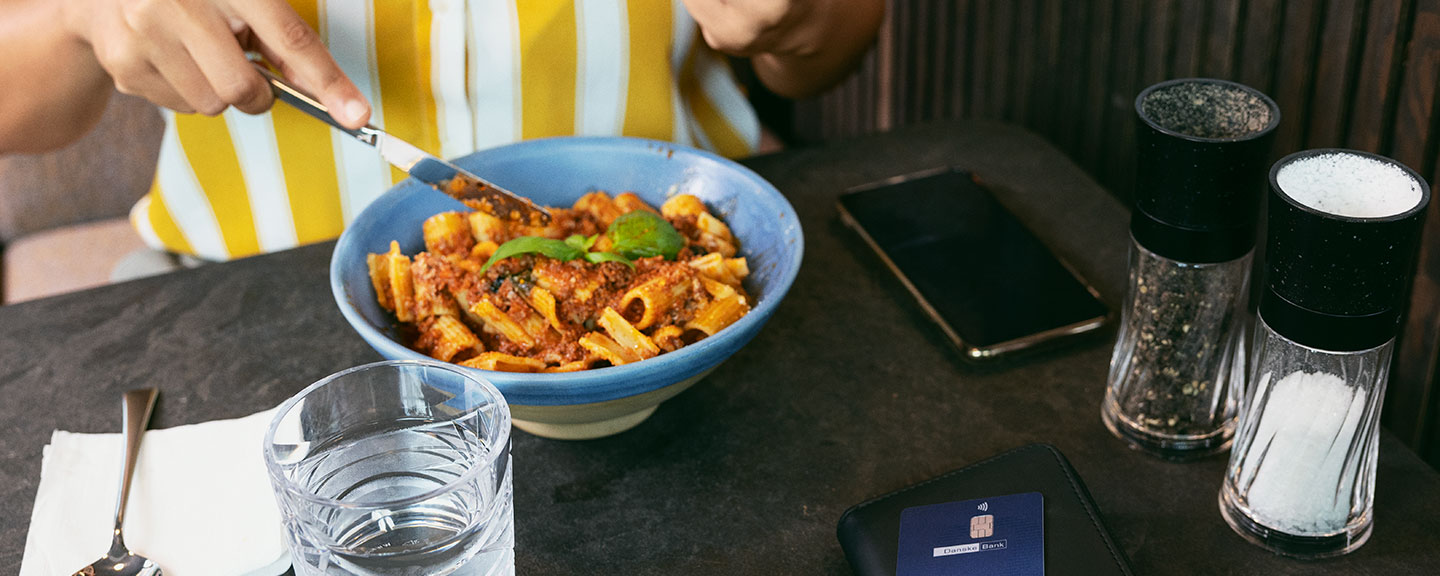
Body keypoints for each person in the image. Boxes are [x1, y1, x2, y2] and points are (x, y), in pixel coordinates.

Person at [0, 0, 883, 270]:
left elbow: (831, 46)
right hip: (243, 299)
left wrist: (797, 18)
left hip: (688, 258)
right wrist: (79, 16)